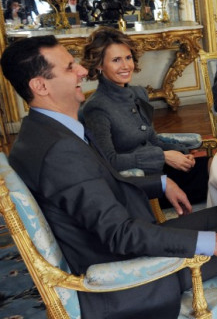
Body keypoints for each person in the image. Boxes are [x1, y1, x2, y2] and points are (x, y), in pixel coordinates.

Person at [1, 35, 217, 319]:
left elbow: (106, 181)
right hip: (129, 273)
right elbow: (120, 235)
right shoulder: (60, 150)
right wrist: (212, 243)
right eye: (70, 67)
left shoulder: (43, 131)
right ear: (40, 85)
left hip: (127, 240)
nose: (82, 72)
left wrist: (160, 183)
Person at [80, 28, 209, 205]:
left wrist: (182, 153)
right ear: (99, 65)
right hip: (143, 184)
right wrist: (163, 156)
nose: (126, 66)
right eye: (116, 60)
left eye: (128, 57)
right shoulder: (96, 108)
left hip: (163, 169)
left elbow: (151, 139)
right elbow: (108, 161)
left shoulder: (138, 93)